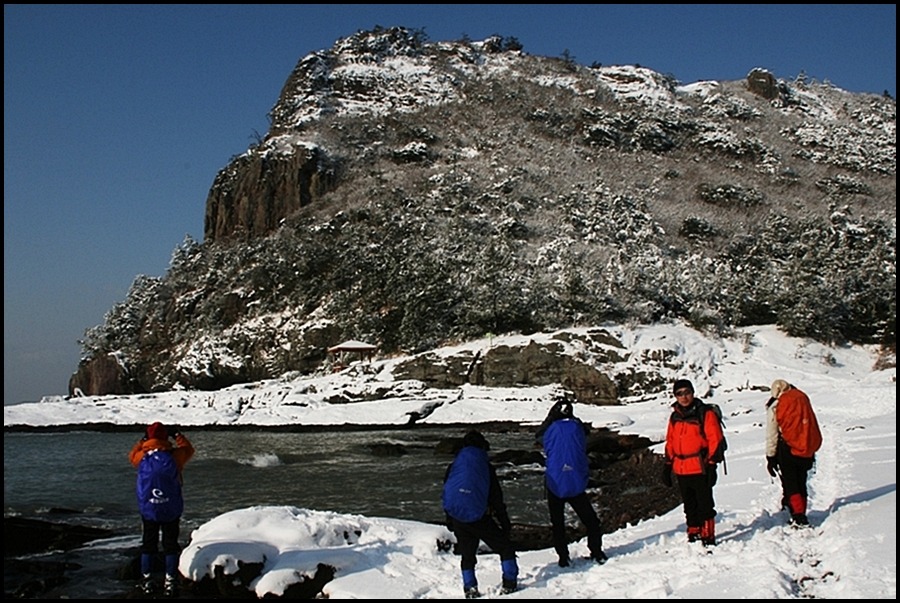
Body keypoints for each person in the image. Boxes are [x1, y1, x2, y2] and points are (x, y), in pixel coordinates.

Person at [442, 430, 518, 599]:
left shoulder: (454, 465)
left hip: (458, 516)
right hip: (480, 517)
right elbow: (496, 498)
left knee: (467, 555)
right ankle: (510, 584)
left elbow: (447, 491)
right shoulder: (485, 467)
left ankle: (470, 588)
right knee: (505, 547)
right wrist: (505, 523)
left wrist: (449, 518)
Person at [535, 395, 607, 567]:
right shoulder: (577, 427)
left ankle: (563, 557)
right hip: (575, 481)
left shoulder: (550, 430)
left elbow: (538, 436)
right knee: (591, 520)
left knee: (558, 523)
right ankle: (597, 552)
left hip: (555, 482)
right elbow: (586, 432)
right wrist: (573, 417)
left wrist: (550, 417)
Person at [129, 422, 195, 597]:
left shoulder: (142, 456)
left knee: (148, 544)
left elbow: (131, 456)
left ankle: (147, 580)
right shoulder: (174, 456)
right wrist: (177, 435)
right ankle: (170, 580)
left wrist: (143, 440)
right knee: (170, 545)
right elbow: (189, 450)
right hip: (170, 508)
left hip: (149, 508)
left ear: (149, 437)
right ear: (166, 436)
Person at [662, 379, 726, 546]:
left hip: (700, 467)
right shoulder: (675, 416)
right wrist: (667, 465)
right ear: (675, 396)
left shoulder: (705, 413)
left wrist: (711, 464)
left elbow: (715, 440)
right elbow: (671, 441)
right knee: (689, 503)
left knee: (705, 503)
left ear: (693, 392)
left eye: (687, 392)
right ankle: (693, 531)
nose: (684, 397)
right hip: (681, 468)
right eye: (679, 394)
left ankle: (708, 535)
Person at [765, 379, 823, 527]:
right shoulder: (802, 398)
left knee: (791, 482)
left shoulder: (776, 405)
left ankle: (798, 515)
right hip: (805, 447)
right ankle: (801, 510)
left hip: (787, 448)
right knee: (801, 480)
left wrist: (770, 456)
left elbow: (772, 433)